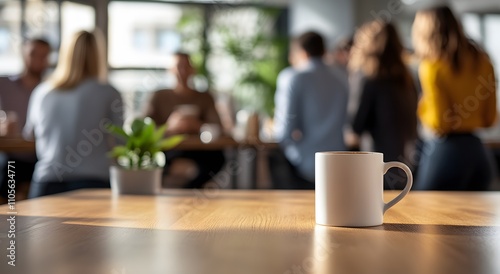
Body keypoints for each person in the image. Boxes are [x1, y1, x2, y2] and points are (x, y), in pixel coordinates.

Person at [24, 30, 123, 198]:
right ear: (98, 55)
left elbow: (29, 135)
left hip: (47, 182)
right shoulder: (109, 93)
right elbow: (121, 142)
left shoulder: (42, 91)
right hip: (94, 182)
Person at [412, 6, 497, 190]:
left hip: (446, 152)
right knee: (476, 218)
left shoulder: (431, 66)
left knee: (422, 213)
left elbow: (440, 124)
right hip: (479, 154)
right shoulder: (483, 60)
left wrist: (422, 108)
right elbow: (490, 119)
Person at [273, 31, 348, 189]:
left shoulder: (293, 77)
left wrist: (295, 150)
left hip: (303, 164)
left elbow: (284, 131)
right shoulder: (342, 78)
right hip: (338, 164)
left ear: (302, 53)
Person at [349, 20, 418, 189]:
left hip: (377, 164)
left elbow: (356, 126)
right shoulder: (408, 80)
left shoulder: (369, 80)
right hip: (407, 162)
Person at [144, 52, 225, 188]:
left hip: (199, 151)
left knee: (218, 158)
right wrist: (170, 127)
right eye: (178, 66)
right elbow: (144, 130)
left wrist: (198, 126)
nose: (182, 71)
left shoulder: (204, 97)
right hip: (167, 150)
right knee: (152, 159)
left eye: (186, 66)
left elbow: (218, 129)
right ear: (170, 70)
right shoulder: (159, 96)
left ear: (193, 70)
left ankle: (189, 191)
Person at [0, 38, 51, 202]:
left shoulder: (52, 90)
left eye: (44, 55)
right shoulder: (4, 85)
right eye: (33, 54)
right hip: (11, 157)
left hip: (41, 156)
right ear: (23, 54)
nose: (38, 60)